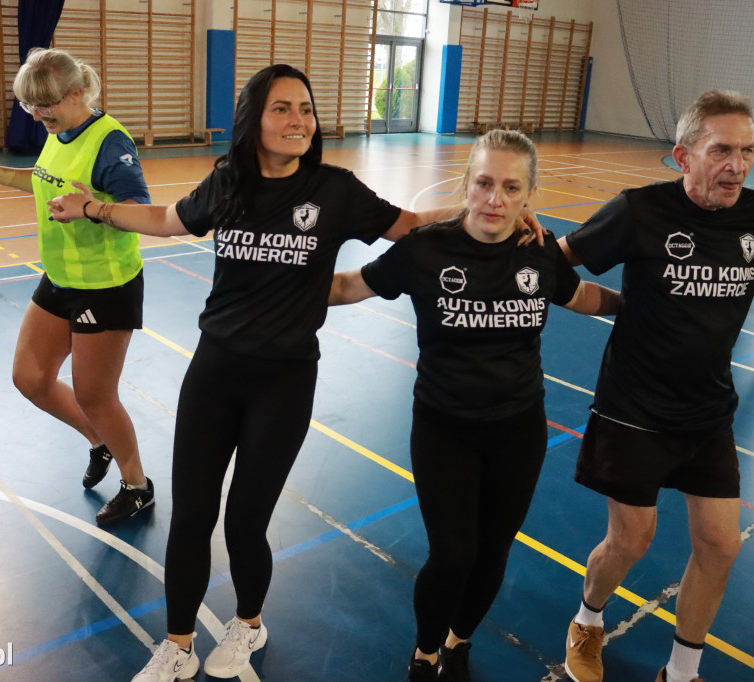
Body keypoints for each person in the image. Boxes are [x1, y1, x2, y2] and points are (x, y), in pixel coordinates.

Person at [46, 64, 541, 682]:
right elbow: (168, 219)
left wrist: (486, 208)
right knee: (193, 516)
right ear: (256, 118)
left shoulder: (335, 191)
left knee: (246, 521)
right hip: (214, 372)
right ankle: (176, 645)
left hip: (284, 381)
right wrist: (94, 207)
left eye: (305, 109)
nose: (298, 120)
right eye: (283, 108)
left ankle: (249, 625)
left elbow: (409, 226)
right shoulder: (228, 182)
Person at [328, 129, 621, 682]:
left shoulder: (538, 250)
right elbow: (349, 286)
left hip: (518, 430)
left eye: (511, 188)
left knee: (493, 552)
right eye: (484, 183)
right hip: (444, 428)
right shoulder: (426, 249)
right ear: (465, 185)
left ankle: (459, 639)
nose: (495, 200)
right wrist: (273, 282)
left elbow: (578, 296)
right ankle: (425, 652)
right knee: (453, 555)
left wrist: (636, 307)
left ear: (528, 194)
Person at [558, 91, 754, 682]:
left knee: (722, 545)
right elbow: (558, 261)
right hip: (634, 409)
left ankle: (681, 669)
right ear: (683, 156)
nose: (738, 164)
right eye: (722, 150)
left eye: (749, 151)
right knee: (631, 541)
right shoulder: (638, 210)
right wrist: (611, 303)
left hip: (708, 412)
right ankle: (588, 619)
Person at [0, 48, 153, 525]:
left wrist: (90, 208)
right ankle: (99, 441)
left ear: (76, 93)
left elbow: (141, 211)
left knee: (95, 395)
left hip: (105, 285)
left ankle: (137, 485)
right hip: (61, 277)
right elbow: (48, 181)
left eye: (45, 104)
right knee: (31, 378)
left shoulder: (109, 142)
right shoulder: (61, 131)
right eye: (29, 105)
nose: (37, 114)